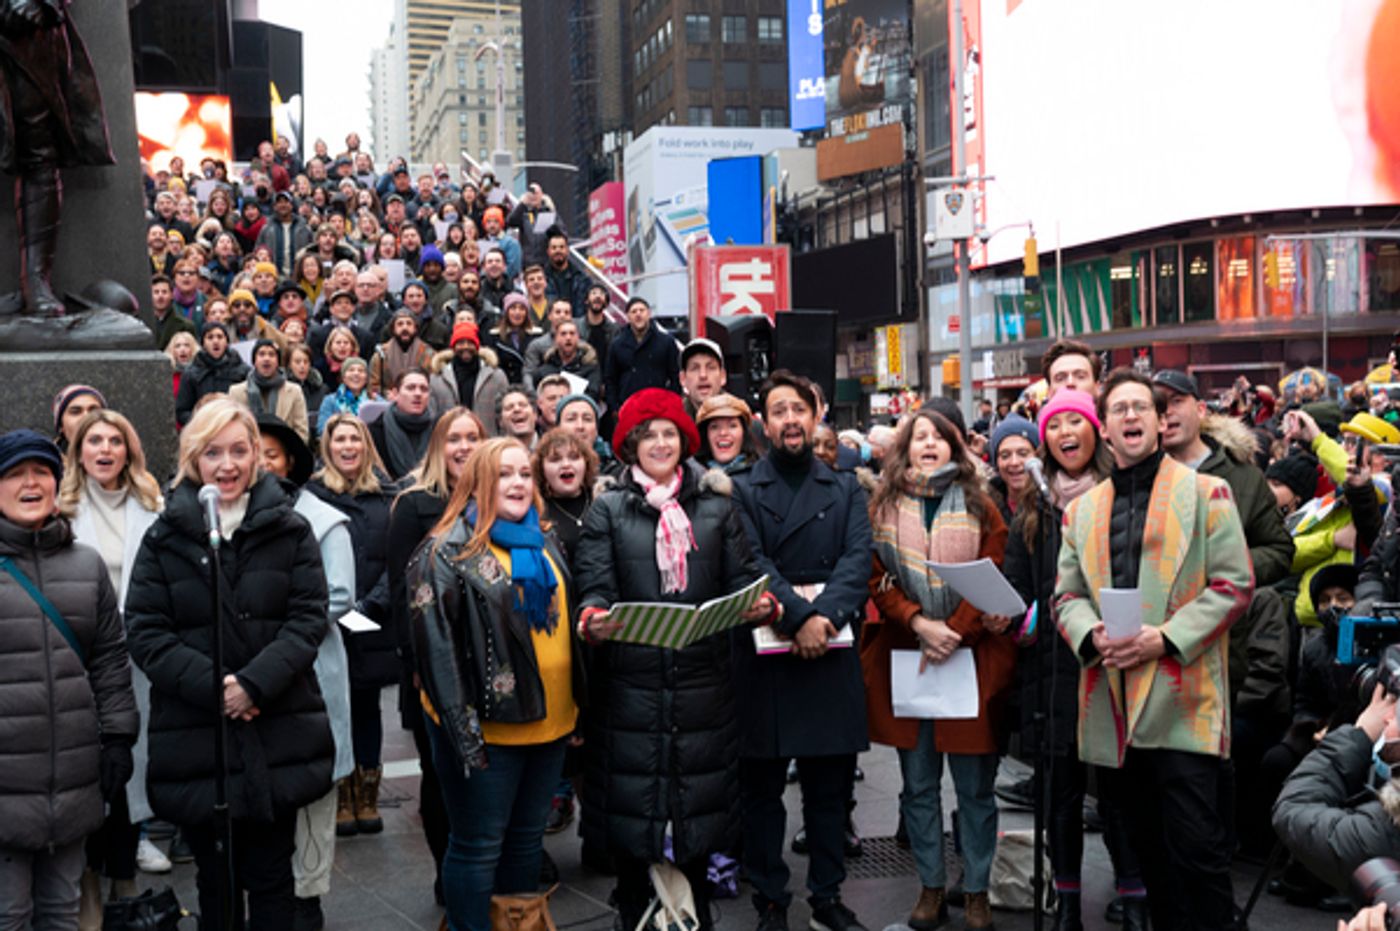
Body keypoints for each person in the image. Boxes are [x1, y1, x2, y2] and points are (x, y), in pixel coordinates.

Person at [1054, 368, 1254, 931]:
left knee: (1200, 854)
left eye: (1142, 406)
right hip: (1114, 705)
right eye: (1119, 409)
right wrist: (1089, 634)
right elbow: (1066, 595)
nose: (1132, 416)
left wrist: (1163, 638)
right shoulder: (1081, 511)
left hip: (1185, 699)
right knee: (1148, 855)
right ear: (1105, 429)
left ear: (1161, 422)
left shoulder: (1206, 491)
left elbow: (1234, 586)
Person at [125, 400, 333, 929]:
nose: (227, 464)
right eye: (213, 452)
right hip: (200, 738)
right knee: (216, 882)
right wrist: (216, 687)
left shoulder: (290, 529)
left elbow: (308, 618)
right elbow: (147, 630)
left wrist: (255, 684)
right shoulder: (165, 536)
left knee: (270, 878)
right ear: (194, 459)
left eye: (239, 451)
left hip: (274, 729)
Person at [574, 388, 771, 931]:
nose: (660, 443)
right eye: (648, 435)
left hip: (704, 690)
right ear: (630, 445)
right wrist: (593, 619)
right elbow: (593, 587)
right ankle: (634, 912)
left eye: (670, 434)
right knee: (634, 833)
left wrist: (761, 605)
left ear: (684, 443)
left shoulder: (716, 506)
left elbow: (743, 579)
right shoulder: (607, 511)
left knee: (697, 828)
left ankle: (693, 917)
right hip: (629, 694)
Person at [409, 437, 579, 931]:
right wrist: (466, 741)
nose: (518, 483)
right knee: (477, 848)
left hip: (550, 726)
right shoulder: (443, 553)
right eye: (505, 474)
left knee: (527, 843)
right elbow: (437, 654)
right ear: (478, 482)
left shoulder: (545, 540)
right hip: (487, 736)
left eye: (525, 473)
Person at [730, 371, 874, 931]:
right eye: (779, 410)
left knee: (829, 791)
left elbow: (857, 561)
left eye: (801, 409)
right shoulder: (741, 488)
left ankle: (827, 896)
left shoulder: (845, 488)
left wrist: (824, 619)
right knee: (762, 790)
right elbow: (751, 562)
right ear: (764, 423)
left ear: (817, 418)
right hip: (767, 654)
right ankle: (770, 898)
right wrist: (799, 617)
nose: (791, 420)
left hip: (829, 652)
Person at [860, 408, 1014, 931]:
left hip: (968, 660)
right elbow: (875, 576)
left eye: (938, 437)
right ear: (906, 447)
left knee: (975, 788)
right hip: (909, 657)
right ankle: (929, 885)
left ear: (954, 445)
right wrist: (919, 623)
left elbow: (993, 569)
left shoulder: (982, 505)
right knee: (918, 785)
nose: (928, 444)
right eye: (918, 436)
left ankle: (976, 890)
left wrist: (955, 629)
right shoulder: (881, 506)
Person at [1000, 389, 1145, 931]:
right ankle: (1066, 901)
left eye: (1075, 421)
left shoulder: (1124, 496)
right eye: (1054, 423)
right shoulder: (1035, 507)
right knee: (1058, 794)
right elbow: (1018, 582)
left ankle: (1132, 893)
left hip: (1111, 662)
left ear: (1096, 431)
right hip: (1052, 669)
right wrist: (1014, 614)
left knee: (1118, 792)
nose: (1065, 431)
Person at [0, 429, 138, 929]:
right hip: (7, 784)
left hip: (75, 779)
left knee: (63, 912)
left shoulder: (87, 564)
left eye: (42, 473)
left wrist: (119, 738)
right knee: (9, 914)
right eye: (16, 474)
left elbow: (109, 660)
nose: (31, 483)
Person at [58, 410, 168, 899]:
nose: (105, 450)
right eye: (94, 440)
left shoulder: (153, 507)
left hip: (137, 659)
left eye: (115, 441)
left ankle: (125, 876)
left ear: (129, 451)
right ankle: (87, 885)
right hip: (76, 660)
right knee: (83, 774)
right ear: (78, 450)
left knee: (128, 772)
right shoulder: (60, 509)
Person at [254, 414, 355, 930]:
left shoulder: (324, 520)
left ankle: (307, 897)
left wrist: (271, 627)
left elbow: (338, 595)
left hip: (311, 675)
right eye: (255, 452)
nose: (262, 463)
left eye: (272, 454)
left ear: (290, 461)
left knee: (314, 794)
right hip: (255, 685)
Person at [387, 407, 487, 906]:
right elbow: (400, 596)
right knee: (441, 772)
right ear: (437, 447)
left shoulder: (498, 499)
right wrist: (418, 667)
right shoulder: (413, 505)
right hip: (432, 664)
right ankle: (448, 872)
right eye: (454, 438)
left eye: (473, 437)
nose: (463, 447)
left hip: (491, 664)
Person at [305, 414, 398, 839]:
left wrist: (370, 604)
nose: (347, 446)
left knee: (366, 705)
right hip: (329, 619)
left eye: (354, 439)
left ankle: (367, 795)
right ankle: (340, 791)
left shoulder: (386, 495)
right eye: (339, 439)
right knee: (332, 705)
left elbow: (396, 558)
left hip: (373, 618)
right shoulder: (314, 495)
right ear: (327, 447)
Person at [1272, 671, 1400, 895]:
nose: (1387, 717)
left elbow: (1293, 810)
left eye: (1397, 711)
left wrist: (1359, 736)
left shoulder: (1383, 832)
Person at [430, 320, 510, 437]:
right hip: (449, 443)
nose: (465, 347)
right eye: (460, 343)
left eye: (470, 342)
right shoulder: (437, 378)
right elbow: (432, 417)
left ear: (477, 346)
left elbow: (504, 415)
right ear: (453, 346)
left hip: (487, 445)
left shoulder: (496, 376)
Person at [532, 426, 598, 564]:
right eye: (555, 460)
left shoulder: (602, 501)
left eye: (574, 457)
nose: (566, 464)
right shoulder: (535, 511)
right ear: (541, 468)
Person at [229, 338, 311, 442]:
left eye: (272, 354)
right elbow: (233, 430)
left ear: (278, 362)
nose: (266, 358)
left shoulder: (294, 391)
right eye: (262, 354)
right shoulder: (236, 392)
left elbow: (301, 431)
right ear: (254, 361)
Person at [605, 297, 680, 406]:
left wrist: (671, 403)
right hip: (628, 406)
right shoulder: (617, 345)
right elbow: (610, 379)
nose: (638, 314)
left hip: (659, 406)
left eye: (642, 310)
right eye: (634, 311)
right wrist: (615, 408)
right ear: (628, 317)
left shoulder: (666, 342)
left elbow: (675, 375)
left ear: (649, 314)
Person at [176, 322, 251, 427]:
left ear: (226, 341)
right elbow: (182, 411)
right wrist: (203, 420)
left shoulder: (243, 371)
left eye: (220, 337)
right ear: (203, 343)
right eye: (210, 337)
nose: (215, 341)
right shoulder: (191, 373)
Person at [367, 368, 436, 480]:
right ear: (395, 394)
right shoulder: (375, 432)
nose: (418, 393)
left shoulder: (439, 429)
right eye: (410, 388)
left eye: (424, 389)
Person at [370, 308, 436, 397]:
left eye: (409, 323)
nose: (405, 328)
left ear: (415, 328)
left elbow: (435, 386)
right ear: (393, 329)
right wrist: (387, 395)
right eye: (400, 324)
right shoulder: (381, 355)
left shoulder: (429, 354)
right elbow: (373, 388)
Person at [987, 415, 1037, 523]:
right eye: (1005, 456)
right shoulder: (985, 507)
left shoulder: (1054, 503)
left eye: (1023, 454)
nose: (1014, 462)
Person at [696, 392, 761, 475]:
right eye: (714, 427)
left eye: (732, 426)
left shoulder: (762, 472)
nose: (723, 433)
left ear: (744, 432)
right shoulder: (692, 476)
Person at [317, 356, 374, 433]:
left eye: (361, 371)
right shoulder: (330, 401)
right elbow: (322, 429)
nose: (356, 373)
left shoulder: (376, 401)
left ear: (366, 378)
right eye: (351, 370)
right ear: (343, 377)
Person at [679, 338, 728, 420]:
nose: (703, 375)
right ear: (683, 379)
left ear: (723, 376)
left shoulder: (743, 423)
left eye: (711, 367)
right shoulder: (674, 425)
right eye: (695, 368)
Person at [52, 384, 106, 454]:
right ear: (61, 427)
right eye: (75, 412)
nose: (86, 417)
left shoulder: (122, 461)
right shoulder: (46, 463)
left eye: (94, 411)